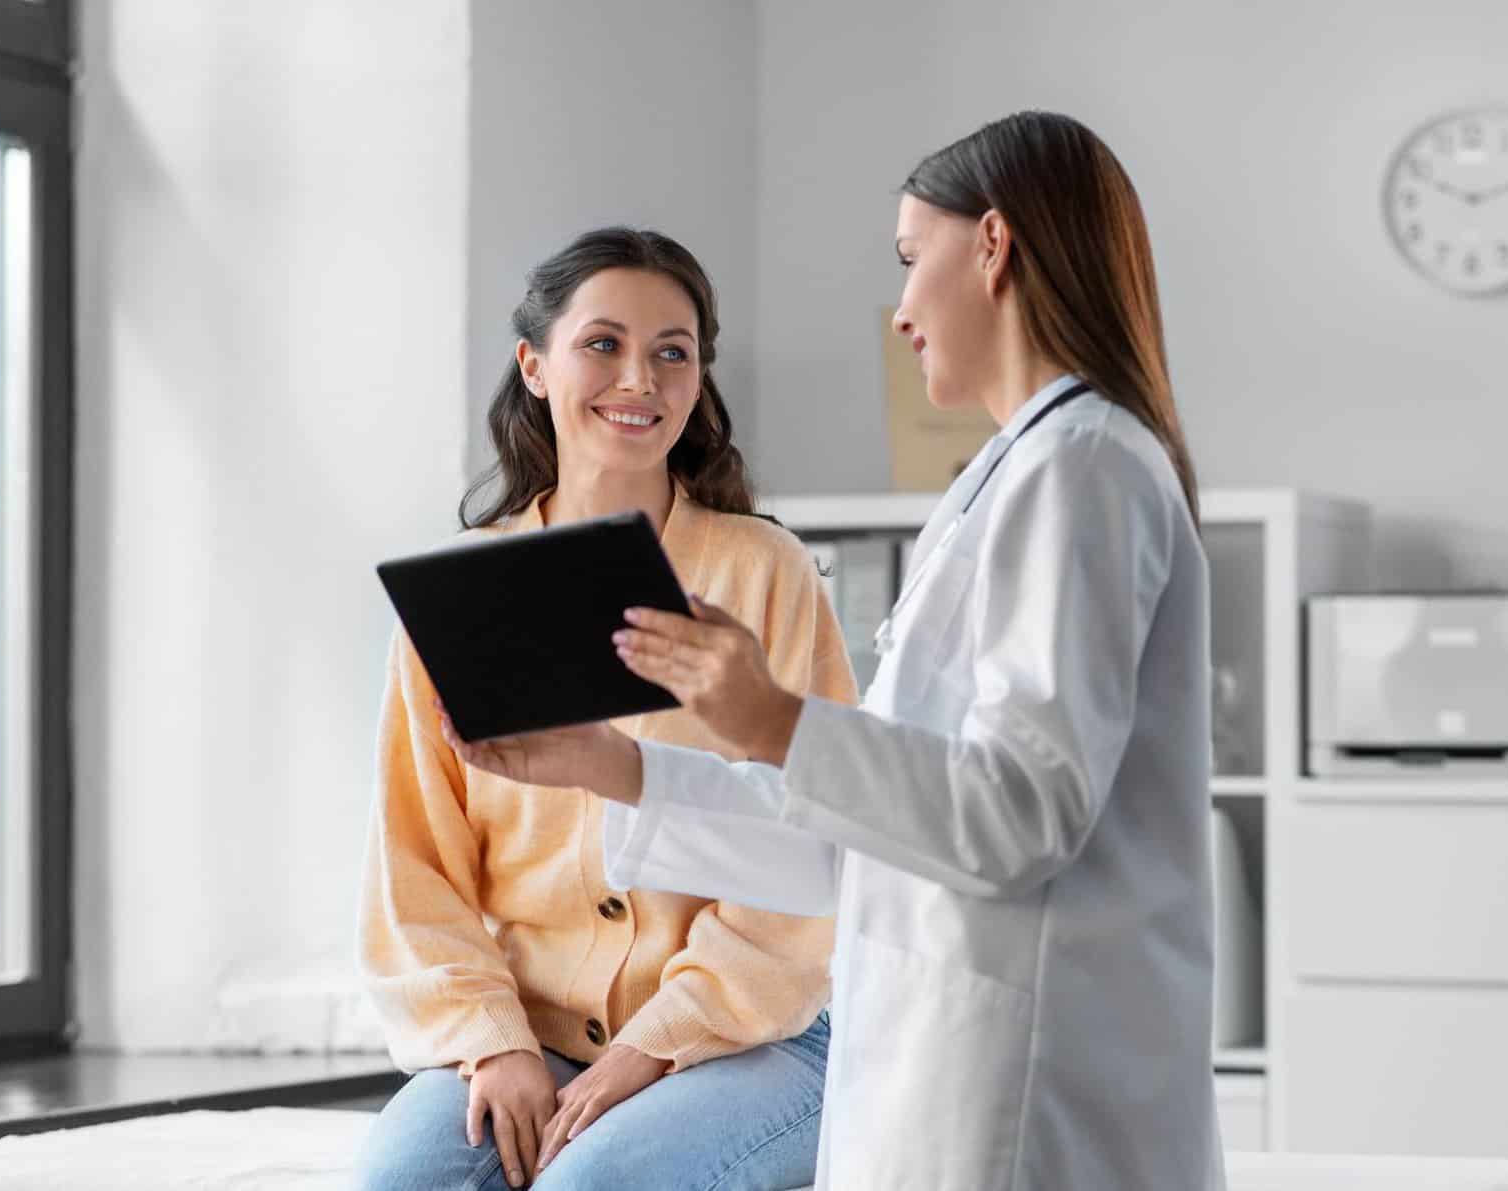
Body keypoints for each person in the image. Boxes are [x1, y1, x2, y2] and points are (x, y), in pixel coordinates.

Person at [444, 112, 1223, 1189]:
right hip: (939, 1050)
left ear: (992, 246)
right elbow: (861, 842)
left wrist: (773, 720)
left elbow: (1018, 817)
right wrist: (614, 768)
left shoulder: (1082, 472)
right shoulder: (1014, 477)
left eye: (912, 260)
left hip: (1025, 1086)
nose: (901, 309)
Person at [355, 227, 856, 1191]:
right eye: (604, 344)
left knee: (590, 1185)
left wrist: (653, 1046)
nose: (641, 378)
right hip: (527, 1030)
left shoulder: (765, 573)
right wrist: (493, 1041)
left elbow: (810, 853)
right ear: (534, 367)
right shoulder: (459, 594)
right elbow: (413, 867)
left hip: (757, 1034)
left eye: (674, 352)